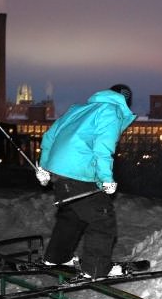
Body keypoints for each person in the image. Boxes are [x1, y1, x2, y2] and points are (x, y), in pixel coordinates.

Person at [35, 84, 136, 278]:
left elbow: (49, 137)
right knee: (102, 218)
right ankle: (96, 268)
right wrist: (106, 179)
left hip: (60, 173)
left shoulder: (78, 110)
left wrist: (45, 168)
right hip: (78, 173)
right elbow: (102, 147)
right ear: (125, 102)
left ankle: (57, 256)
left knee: (73, 214)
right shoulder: (111, 111)